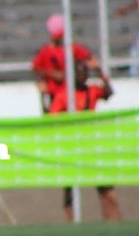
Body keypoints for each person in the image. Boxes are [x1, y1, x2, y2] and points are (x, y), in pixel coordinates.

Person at [49, 60, 123, 222]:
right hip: (73, 146)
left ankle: (113, 219)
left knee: (104, 184)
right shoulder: (64, 95)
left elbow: (109, 93)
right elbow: (52, 118)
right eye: (79, 73)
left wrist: (101, 73)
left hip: (92, 144)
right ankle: (70, 221)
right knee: (70, 188)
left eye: (85, 74)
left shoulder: (92, 91)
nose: (82, 77)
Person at [32, 13, 99, 113]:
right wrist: (53, 74)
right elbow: (35, 68)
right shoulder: (45, 51)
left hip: (70, 93)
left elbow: (90, 58)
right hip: (53, 93)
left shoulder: (71, 48)